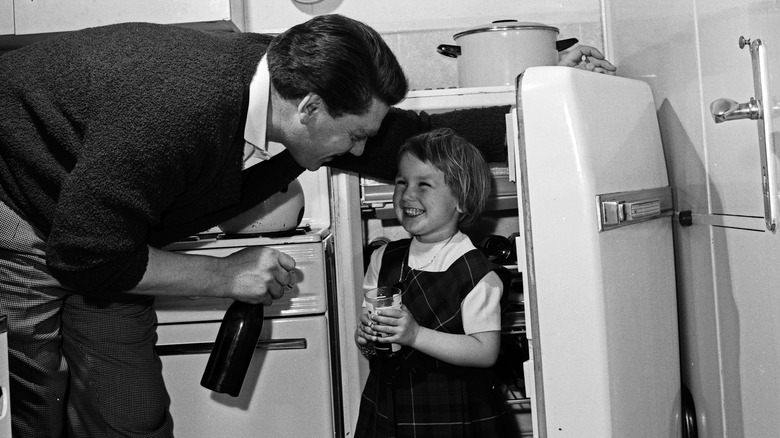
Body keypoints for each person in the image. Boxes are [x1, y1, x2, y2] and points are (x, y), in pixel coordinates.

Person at [0, 11, 614, 437]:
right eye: (351, 136)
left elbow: (404, 140)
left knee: (130, 417)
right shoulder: (177, 106)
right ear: (312, 110)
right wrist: (223, 276)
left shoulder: (298, 90)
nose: (356, 153)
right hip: (22, 200)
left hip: (103, 225)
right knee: (40, 405)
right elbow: (84, 255)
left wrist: (543, 103)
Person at [353, 128, 511, 437]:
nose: (407, 193)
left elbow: (485, 351)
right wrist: (368, 339)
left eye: (424, 184)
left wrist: (414, 335)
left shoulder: (477, 273)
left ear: (461, 201)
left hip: (453, 411)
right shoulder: (383, 258)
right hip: (389, 404)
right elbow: (374, 332)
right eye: (402, 181)